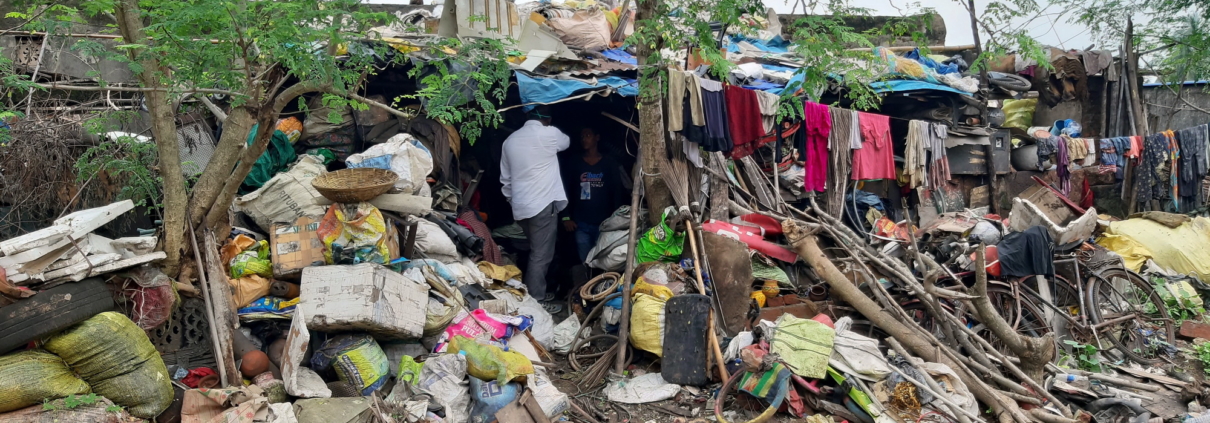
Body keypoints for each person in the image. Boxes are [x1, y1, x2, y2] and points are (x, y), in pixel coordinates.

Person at [500, 106, 570, 313]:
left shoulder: (510, 140)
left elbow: (505, 179)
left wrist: (514, 201)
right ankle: (536, 301)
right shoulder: (548, 134)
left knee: (536, 252)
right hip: (542, 205)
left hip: (521, 208)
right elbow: (566, 142)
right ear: (547, 119)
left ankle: (535, 290)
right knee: (541, 255)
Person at [561, 127, 628, 263]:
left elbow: (617, 192)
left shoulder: (609, 163)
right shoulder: (575, 163)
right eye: (582, 137)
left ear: (597, 137)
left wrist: (615, 220)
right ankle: (587, 284)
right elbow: (565, 190)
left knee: (603, 261)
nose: (584, 139)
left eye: (588, 135)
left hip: (604, 224)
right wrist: (566, 217)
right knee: (586, 261)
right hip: (581, 223)